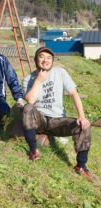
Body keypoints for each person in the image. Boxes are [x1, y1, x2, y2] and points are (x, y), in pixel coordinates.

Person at [22, 47, 92, 180]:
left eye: (49, 58)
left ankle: (81, 166)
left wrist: (82, 116)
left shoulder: (60, 73)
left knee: (84, 125)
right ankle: (33, 150)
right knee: (27, 107)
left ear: (52, 61)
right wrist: (38, 81)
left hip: (58, 121)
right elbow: (30, 100)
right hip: (39, 119)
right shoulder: (28, 79)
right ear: (36, 59)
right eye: (42, 57)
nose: (45, 60)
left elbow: (73, 94)